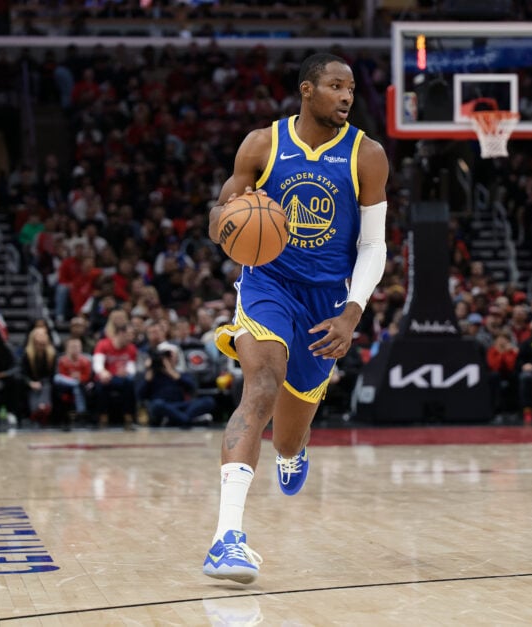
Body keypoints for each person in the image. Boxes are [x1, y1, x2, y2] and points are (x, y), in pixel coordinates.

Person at [201, 52, 389, 584]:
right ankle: (227, 539)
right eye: (335, 86)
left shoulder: (368, 155)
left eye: (350, 88)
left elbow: (373, 246)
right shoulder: (263, 143)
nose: (346, 96)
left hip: (327, 301)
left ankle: (294, 449)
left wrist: (352, 315)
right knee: (260, 386)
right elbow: (219, 217)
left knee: (287, 435)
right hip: (268, 285)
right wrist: (231, 219)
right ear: (307, 90)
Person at [138, 342, 215, 427]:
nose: (168, 359)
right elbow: (140, 395)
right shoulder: (151, 374)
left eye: (170, 356)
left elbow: (192, 388)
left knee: (208, 401)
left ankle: (176, 419)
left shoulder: (180, 373)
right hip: (163, 406)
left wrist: (171, 372)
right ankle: (187, 420)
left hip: (181, 405)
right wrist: (148, 378)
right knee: (157, 404)